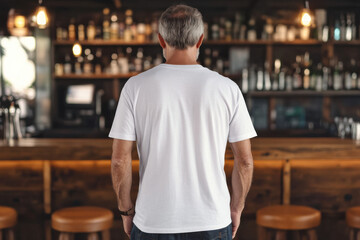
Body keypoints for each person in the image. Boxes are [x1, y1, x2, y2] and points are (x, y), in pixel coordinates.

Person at [109, 4, 256, 240]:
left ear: (160, 39)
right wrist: (236, 209)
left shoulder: (135, 87)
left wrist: (126, 211)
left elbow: (119, 160)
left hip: (153, 222)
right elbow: (245, 161)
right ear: (200, 40)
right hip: (212, 221)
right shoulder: (227, 88)